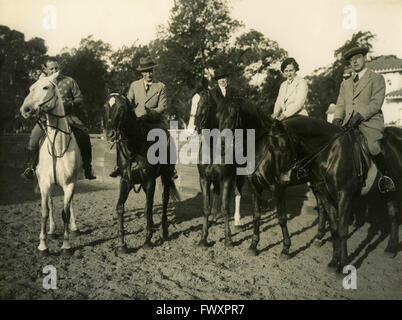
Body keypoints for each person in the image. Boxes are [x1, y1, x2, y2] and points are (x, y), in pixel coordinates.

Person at [21, 57, 96, 180]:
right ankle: (30, 168)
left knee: (84, 136)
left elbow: (80, 99)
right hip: (46, 118)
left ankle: (87, 168)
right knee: (33, 139)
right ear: (45, 69)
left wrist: (70, 104)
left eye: (56, 68)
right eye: (51, 68)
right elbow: (33, 99)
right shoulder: (42, 83)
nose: (55, 70)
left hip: (68, 117)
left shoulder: (69, 81)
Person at [333, 46, 395, 193]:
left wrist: (360, 115)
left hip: (369, 122)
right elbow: (340, 104)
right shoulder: (345, 83)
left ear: (364, 58)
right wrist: (336, 119)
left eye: (357, 58)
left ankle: (386, 178)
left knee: (373, 146)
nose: (354, 62)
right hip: (348, 123)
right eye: (351, 60)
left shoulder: (376, 78)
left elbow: (376, 103)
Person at [109, 56, 177, 179]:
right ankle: (119, 166)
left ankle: (170, 168)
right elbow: (129, 102)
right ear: (142, 73)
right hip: (137, 121)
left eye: (151, 71)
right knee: (122, 137)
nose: (149, 74)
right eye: (146, 71)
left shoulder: (161, 86)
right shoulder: (134, 85)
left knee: (167, 138)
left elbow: (162, 106)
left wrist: (150, 114)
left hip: (154, 122)